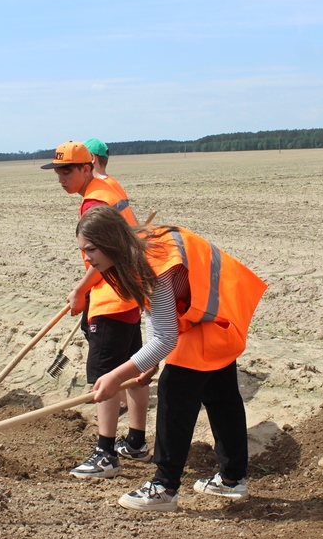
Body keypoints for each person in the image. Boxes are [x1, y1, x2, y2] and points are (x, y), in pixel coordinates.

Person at [76, 205, 267, 512]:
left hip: (213, 315)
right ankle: (232, 480)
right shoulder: (141, 249)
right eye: (82, 250)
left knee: (174, 390)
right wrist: (147, 363)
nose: (87, 258)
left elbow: (165, 338)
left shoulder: (153, 262)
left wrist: (115, 376)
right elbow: (158, 319)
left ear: (111, 242)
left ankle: (164, 487)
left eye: (91, 249)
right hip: (217, 311)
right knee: (220, 393)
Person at [41, 141, 150, 480]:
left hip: (111, 296)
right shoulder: (108, 184)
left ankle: (106, 454)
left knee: (105, 377)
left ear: (86, 168)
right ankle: (135, 442)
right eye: (57, 170)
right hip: (129, 293)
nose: (60, 177)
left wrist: (80, 290)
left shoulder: (93, 203)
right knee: (134, 370)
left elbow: (107, 253)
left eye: (67, 170)